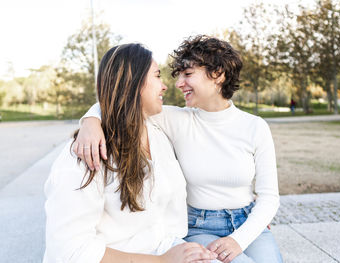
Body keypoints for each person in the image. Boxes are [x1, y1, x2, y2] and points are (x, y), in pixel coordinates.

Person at [74, 36, 283, 263]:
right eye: (179, 75)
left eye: (188, 74)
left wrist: (239, 240)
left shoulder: (255, 127)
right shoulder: (175, 119)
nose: (178, 83)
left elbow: (269, 197)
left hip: (249, 223)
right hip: (200, 227)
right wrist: (91, 121)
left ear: (218, 75)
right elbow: (124, 100)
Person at [44, 43, 218, 263]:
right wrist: (163, 261)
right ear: (133, 83)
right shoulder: (85, 155)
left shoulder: (158, 131)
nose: (165, 86)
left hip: (169, 246)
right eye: (157, 76)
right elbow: (70, 251)